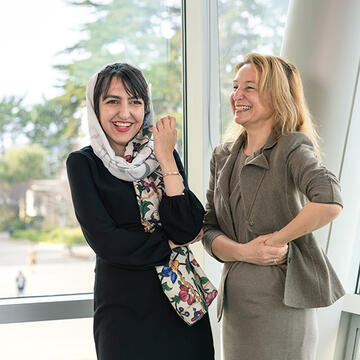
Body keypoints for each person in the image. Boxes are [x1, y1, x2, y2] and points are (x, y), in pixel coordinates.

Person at [66, 63, 214, 360]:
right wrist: (170, 242)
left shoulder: (161, 152)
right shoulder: (84, 164)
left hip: (182, 309)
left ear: (146, 108)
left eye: (135, 101)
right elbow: (107, 243)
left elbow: (188, 225)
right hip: (124, 313)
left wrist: (166, 159)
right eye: (113, 101)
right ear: (95, 108)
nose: (125, 113)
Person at [202, 53, 345, 360]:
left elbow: (329, 201)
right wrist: (244, 252)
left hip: (280, 303)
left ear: (276, 95)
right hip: (237, 307)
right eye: (235, 86)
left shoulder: (292, 148)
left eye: (249, 87)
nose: (237, 95)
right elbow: (208, 228)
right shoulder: (222, 156)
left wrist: (275, 242)